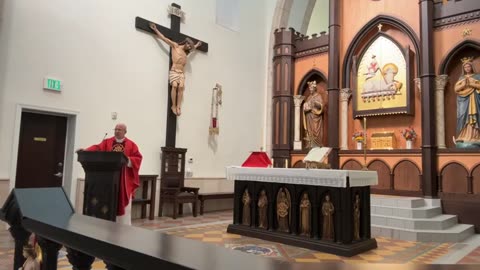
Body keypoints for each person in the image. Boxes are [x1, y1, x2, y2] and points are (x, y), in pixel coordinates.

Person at [77, 123, 142, 225]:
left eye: (119, 130)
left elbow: (138, 158)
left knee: (122, 202)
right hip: (109, 178)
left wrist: (127, 159)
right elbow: (97, 147)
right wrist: (86, 150)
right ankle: (106, 223)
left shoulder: (131, 144)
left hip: (123, 177)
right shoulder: (107, 142)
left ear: (125, 132)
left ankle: (122, 226)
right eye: (115, 129)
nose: (117, 131)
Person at [149, 23, 202, 116]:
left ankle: (178, 106)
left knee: (181, 87)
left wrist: (197, 45)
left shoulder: (186, 53)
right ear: (186, 43)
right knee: (174, 85)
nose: (189, 47)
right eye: (189, 45)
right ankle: (173, 106)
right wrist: (155, 30)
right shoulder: (175, 46)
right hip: (174, 70)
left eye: (190, 47)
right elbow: (164, 39)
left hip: (181, 73)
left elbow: (193, 50)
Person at [454, 58, 480, 143]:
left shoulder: (477, 77)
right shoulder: (461, 78)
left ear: (471, 67)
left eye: (469, 66)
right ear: (464, 69)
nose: (467, 68)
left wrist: (472, 84)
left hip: (475, 99)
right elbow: (456, 89)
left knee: (475, 115)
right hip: (464, 101)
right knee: (462, 116)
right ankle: (463, 135)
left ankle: (476, 136)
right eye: (466, 67)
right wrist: (464, 84)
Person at [303, 81, 325, 148]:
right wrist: (305, 108)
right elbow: (306, 105)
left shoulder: (318, 96)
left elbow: (321, 106)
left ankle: (317, 144)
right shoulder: (309, 97)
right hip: (309, 117)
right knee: (310, 130)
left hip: (316, 117)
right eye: (310, 89)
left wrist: (315, 105)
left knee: (316, 130)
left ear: (314, 89)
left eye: (312, 89)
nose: (310, 90)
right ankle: (310, 144)